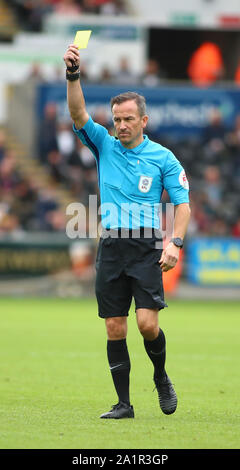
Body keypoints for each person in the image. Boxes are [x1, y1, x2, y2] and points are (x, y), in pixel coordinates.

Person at [63, 44, 191, 419]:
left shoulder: (164, 157)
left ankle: (162, 377)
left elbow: (182, 205)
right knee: (115, 326)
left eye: (128, 119)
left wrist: (176, 243)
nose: (120, 125)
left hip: (147, 244)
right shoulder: (104, 144)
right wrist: (73, 75)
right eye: (117, 119)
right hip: (112, 245)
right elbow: (78, 112)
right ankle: (124, 404)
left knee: (147, 324)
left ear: (143, 121)